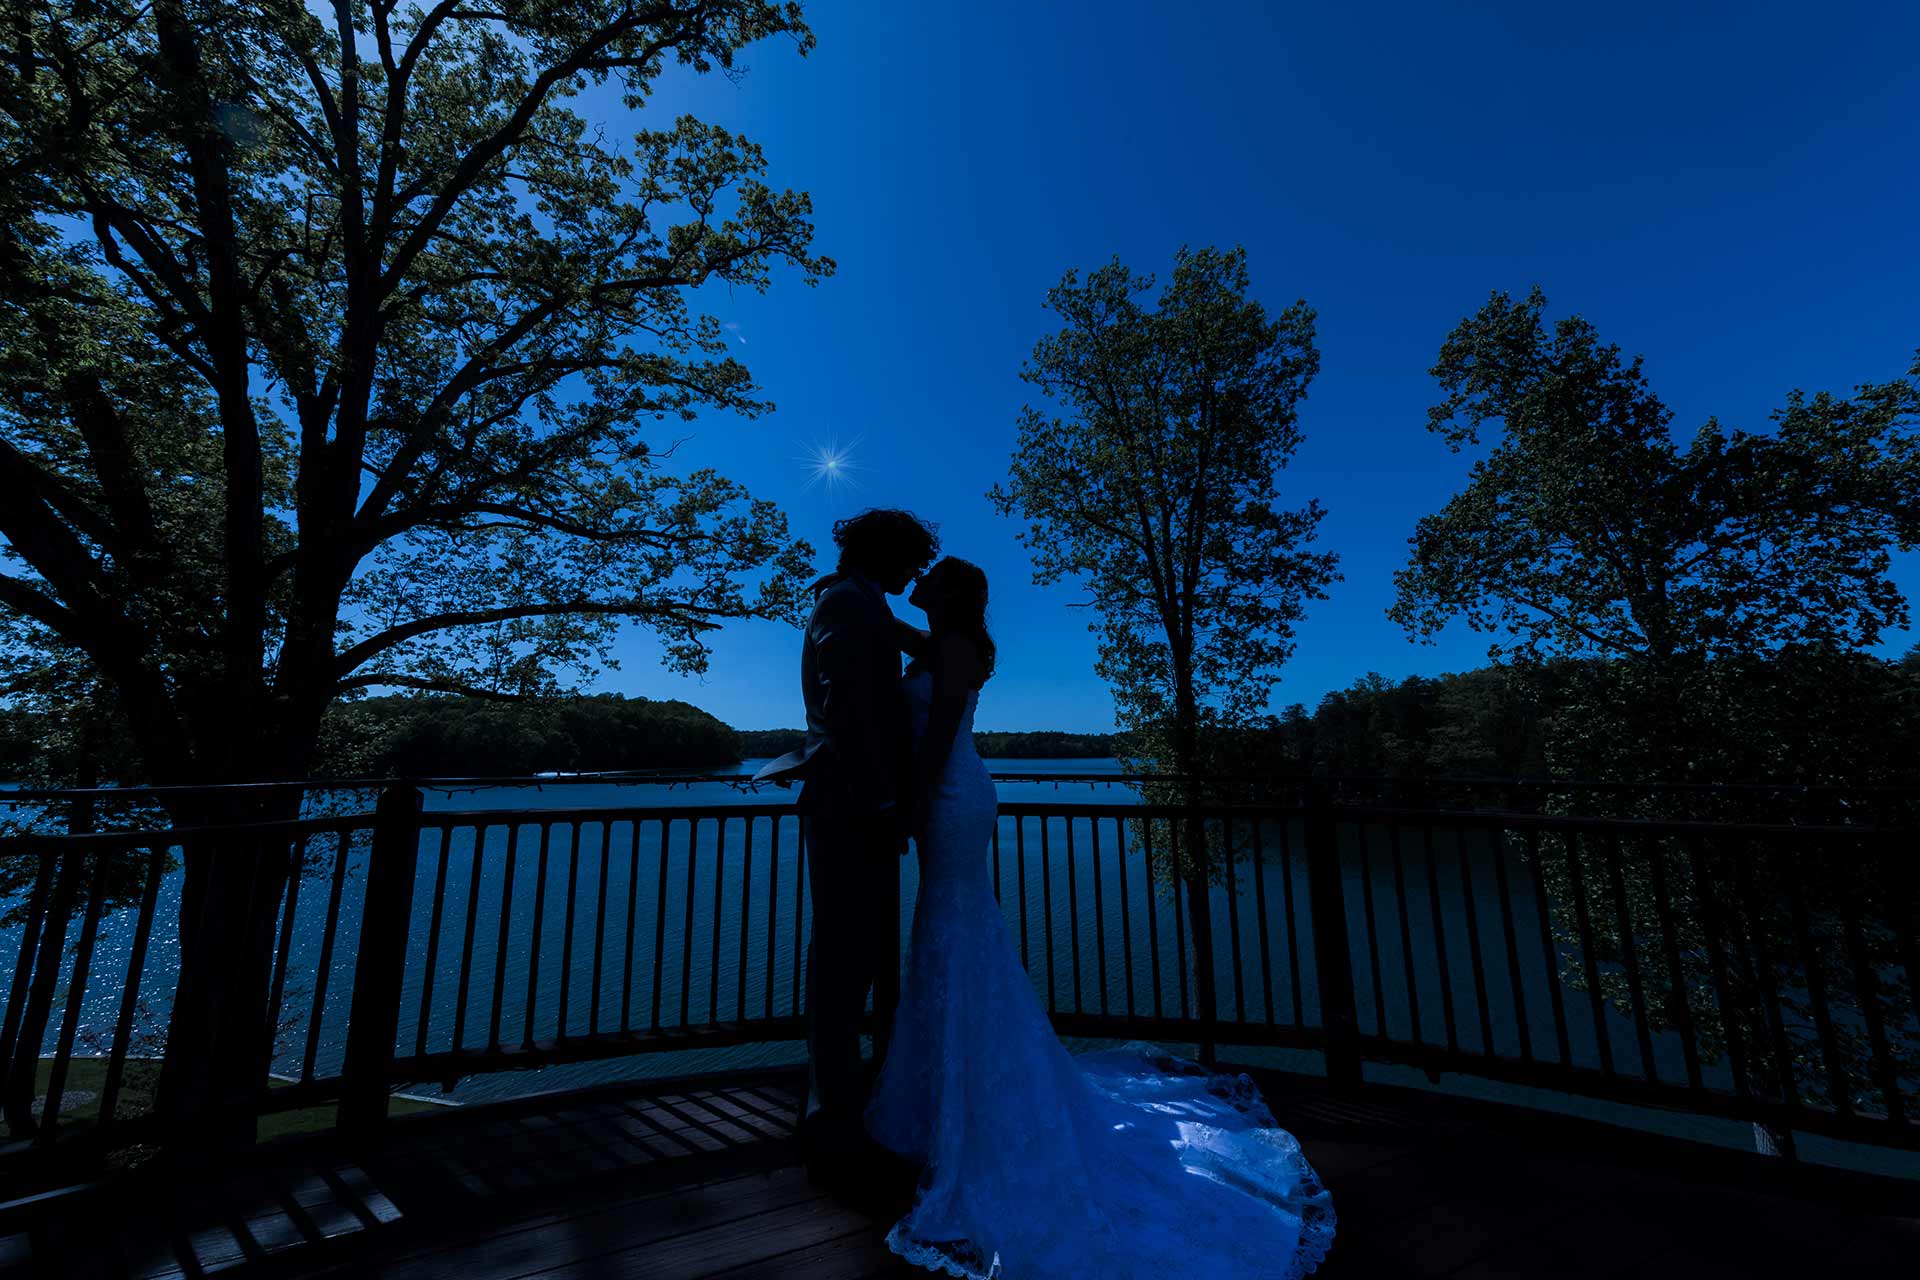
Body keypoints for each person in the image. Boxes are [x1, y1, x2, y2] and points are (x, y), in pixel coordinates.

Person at [864, 556, 1337, 1278]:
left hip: (950, 798)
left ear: (952, 593)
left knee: (954, 932)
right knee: (949, 937)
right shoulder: (940, 643)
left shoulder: (955, 649)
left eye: (929, 574)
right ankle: (947, 1097)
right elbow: (891, 626)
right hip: (946, 800)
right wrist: (854, 593)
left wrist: (909, 805)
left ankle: (965, 1103)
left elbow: (937, 735)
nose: (917, 577)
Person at [755, 507, 939, 1210]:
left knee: (860, 954)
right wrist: (882, 799)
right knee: (841, 959)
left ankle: (851, 1108)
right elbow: (843, 706)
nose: (914, 572)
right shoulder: (843, 600)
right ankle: (831, 1125)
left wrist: (948, 640)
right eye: (910, 558)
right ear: (884, 553)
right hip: (848, 807)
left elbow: (890, 646)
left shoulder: (859, 600)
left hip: (859, 806)